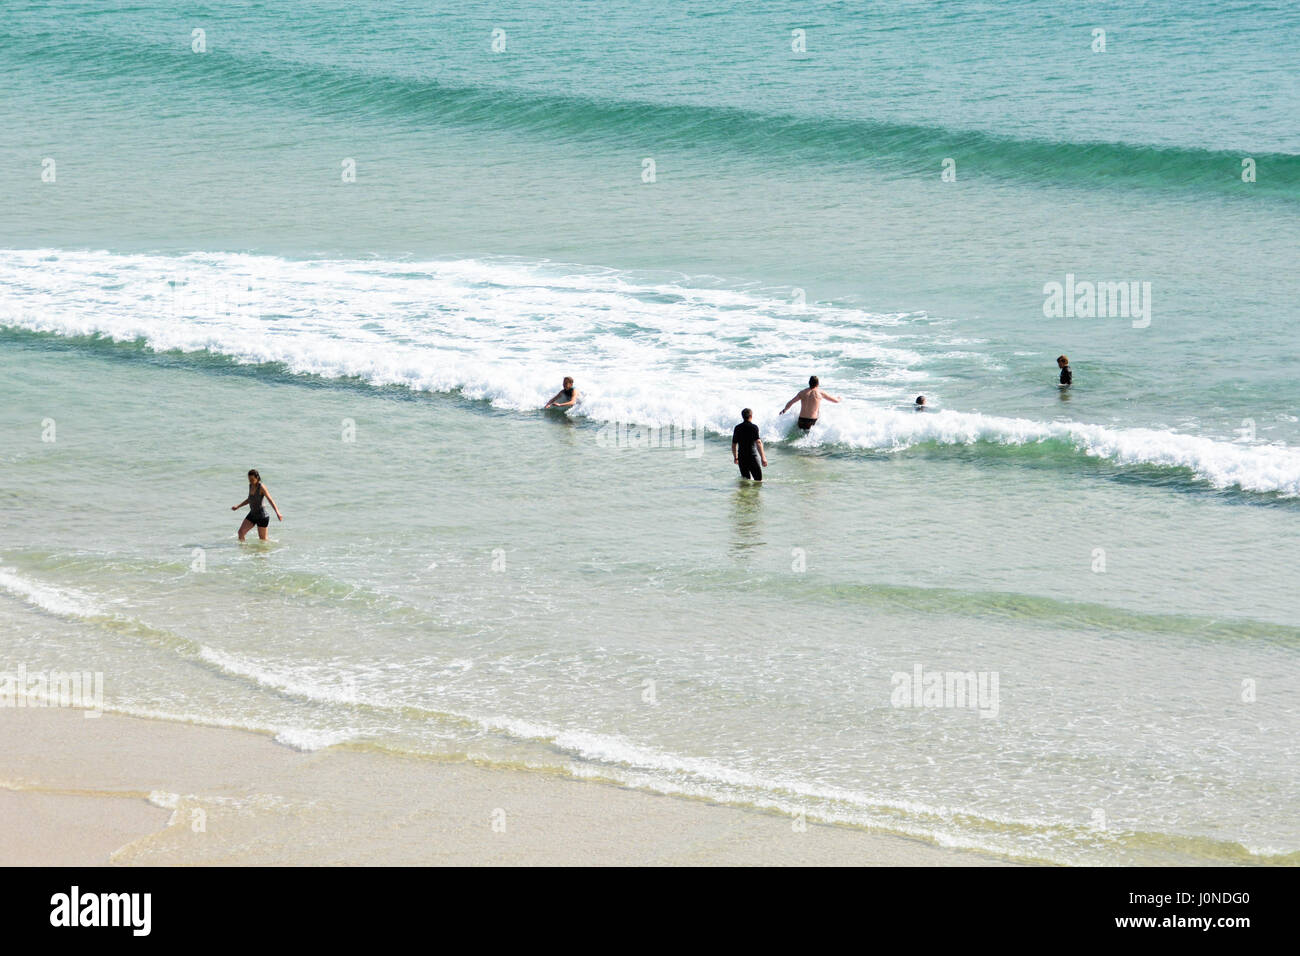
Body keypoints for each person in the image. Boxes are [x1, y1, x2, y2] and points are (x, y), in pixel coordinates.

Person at [232, 469, 282, 542]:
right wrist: (238, 506)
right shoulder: (250, 485)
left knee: (263, 541)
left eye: (252, 479)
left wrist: (277, 512)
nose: (250, 481)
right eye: (249, 479)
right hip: (252, 514)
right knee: (241, 533)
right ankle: (244, 551)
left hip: (262, 517)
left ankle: (266, 553)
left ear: (257, 478)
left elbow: (270, 499)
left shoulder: (261, 487)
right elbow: (250, 499)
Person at [732, 408, 768, 481]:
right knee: (758, 481)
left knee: (746, 480)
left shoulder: (737, 428)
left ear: (742, 416)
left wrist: (735, 457)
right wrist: (763, 457)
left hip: (741, 458)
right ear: (751, 416)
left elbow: (734, 444)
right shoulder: (754, 427)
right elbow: (758, 442)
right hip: (752, 457)